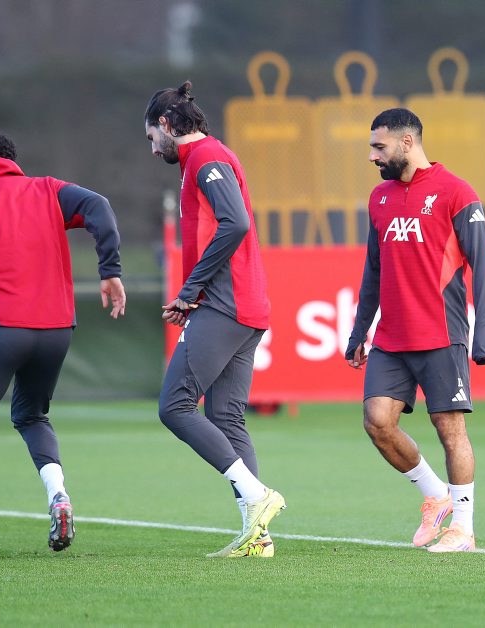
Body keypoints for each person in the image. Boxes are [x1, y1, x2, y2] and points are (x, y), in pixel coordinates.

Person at [0, 129, 127, 558]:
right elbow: (99, 206)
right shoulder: (49, 190)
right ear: (11, 159)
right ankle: (58, 496)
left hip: (2, 327)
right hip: (56, 328)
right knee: (32, 415)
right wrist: (109, 270)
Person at [345, 108, 485, 553]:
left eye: (379, 147)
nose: (373, 156)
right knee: (377, 422)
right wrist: (359, 331)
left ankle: (463, 530)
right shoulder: (379, 199)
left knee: (450, 430)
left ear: (407, 142)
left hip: (441, 335)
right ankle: (435, 494)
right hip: (392, 337)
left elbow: (483, 266)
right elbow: (373, 271)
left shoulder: (457, 193)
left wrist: (484, 333)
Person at [144, 81, 285, 558]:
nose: (152, 149)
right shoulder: (201, 160)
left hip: (226, 305)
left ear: (166, 124)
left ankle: (257, 495)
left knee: (174, 407)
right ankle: (257, 537)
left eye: (151, 137)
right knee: (225, 418)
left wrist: (191, 291)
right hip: (242, 306)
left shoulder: (206, 158)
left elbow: (236, 222)